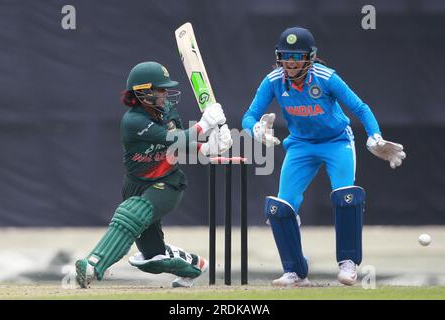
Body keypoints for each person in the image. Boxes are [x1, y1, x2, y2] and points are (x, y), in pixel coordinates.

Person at [242, 27, 406, 286]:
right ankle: (295, 272)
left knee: (346, 196)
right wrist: (256, 129)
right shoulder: (273, 80)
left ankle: (348, 262)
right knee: (281, 207)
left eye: (296, 57)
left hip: (336, 141)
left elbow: (360, 108)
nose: (290, 62)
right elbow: (248, 116)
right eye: (285, 55)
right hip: (300, 146)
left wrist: (374, 135)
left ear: (310, 57)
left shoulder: (326, 78)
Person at [75, 61, 232, 288]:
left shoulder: (167, 110)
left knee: (131, 212)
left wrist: (206, 148)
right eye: (160, 89)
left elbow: (177, 140)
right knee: (151, 258)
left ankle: (93, 266)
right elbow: (172, 139)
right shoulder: (133, 121)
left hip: (167, 183)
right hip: (135, 185)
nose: (165, 94)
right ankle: (193, 266)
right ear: (143, 92)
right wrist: (204, 125)